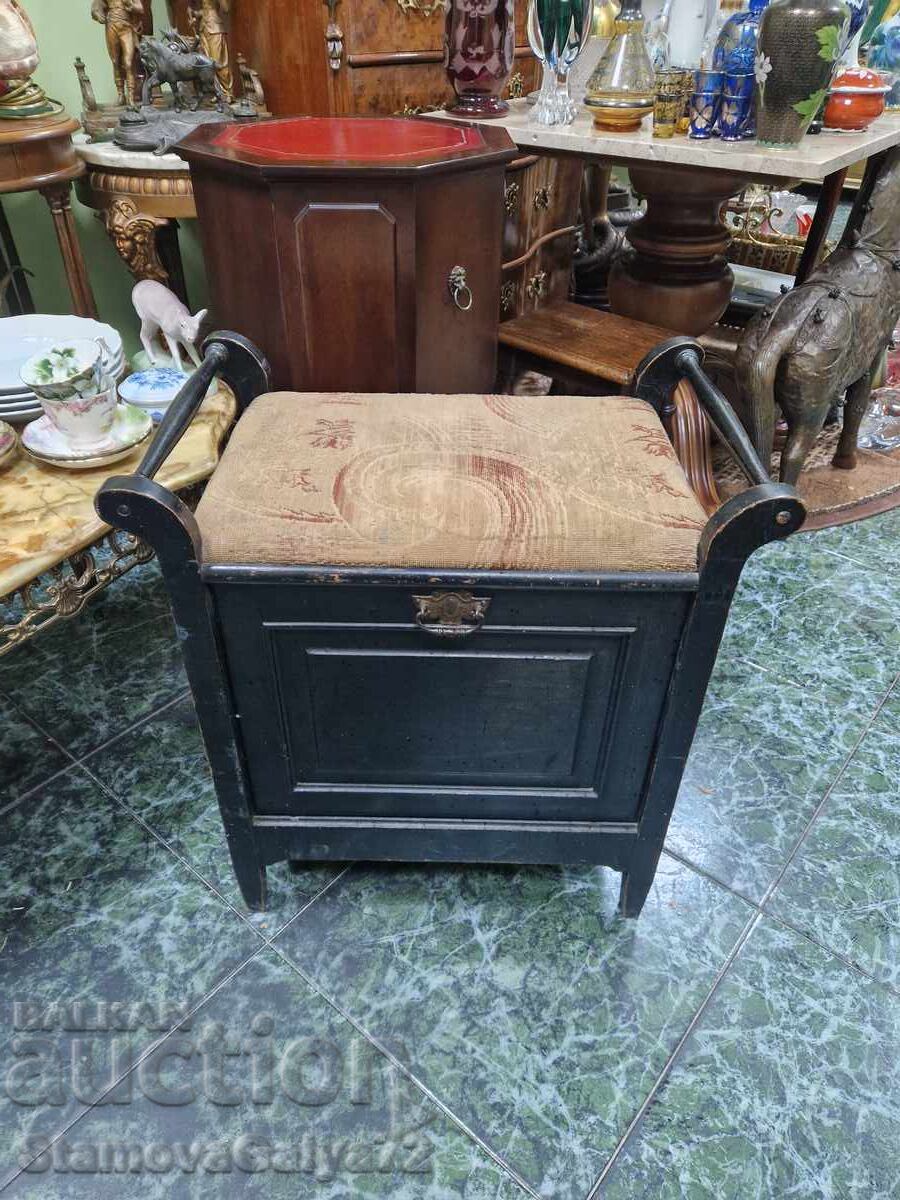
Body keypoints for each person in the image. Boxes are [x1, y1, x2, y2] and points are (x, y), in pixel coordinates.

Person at [90, 0, 144, 106]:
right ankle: (121, 95)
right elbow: (96, 6)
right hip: (111, 25)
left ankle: (131, 97)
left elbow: (140, 8)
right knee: (115, 62)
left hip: (126, 27)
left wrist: (131, 5)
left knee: (128, 63)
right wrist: (97, 14)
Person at [188, 0, 232, 101]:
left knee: (219, 62)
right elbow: (205, 10)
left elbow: (226, 9)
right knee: (208, 64)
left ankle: (228, 93)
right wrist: (194, 13)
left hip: (215, 28)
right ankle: (217, 93)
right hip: (203, 29)